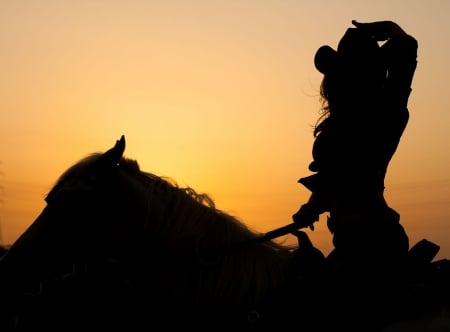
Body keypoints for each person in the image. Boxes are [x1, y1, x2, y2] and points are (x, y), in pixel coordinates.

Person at [292, 20, 418, 328]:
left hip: (372, 244)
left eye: (339, 72)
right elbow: (339, 179)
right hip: (354, 240)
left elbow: (405, 56)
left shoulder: (384, 113)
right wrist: (311, 207)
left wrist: (390, 29)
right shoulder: (344, 124)